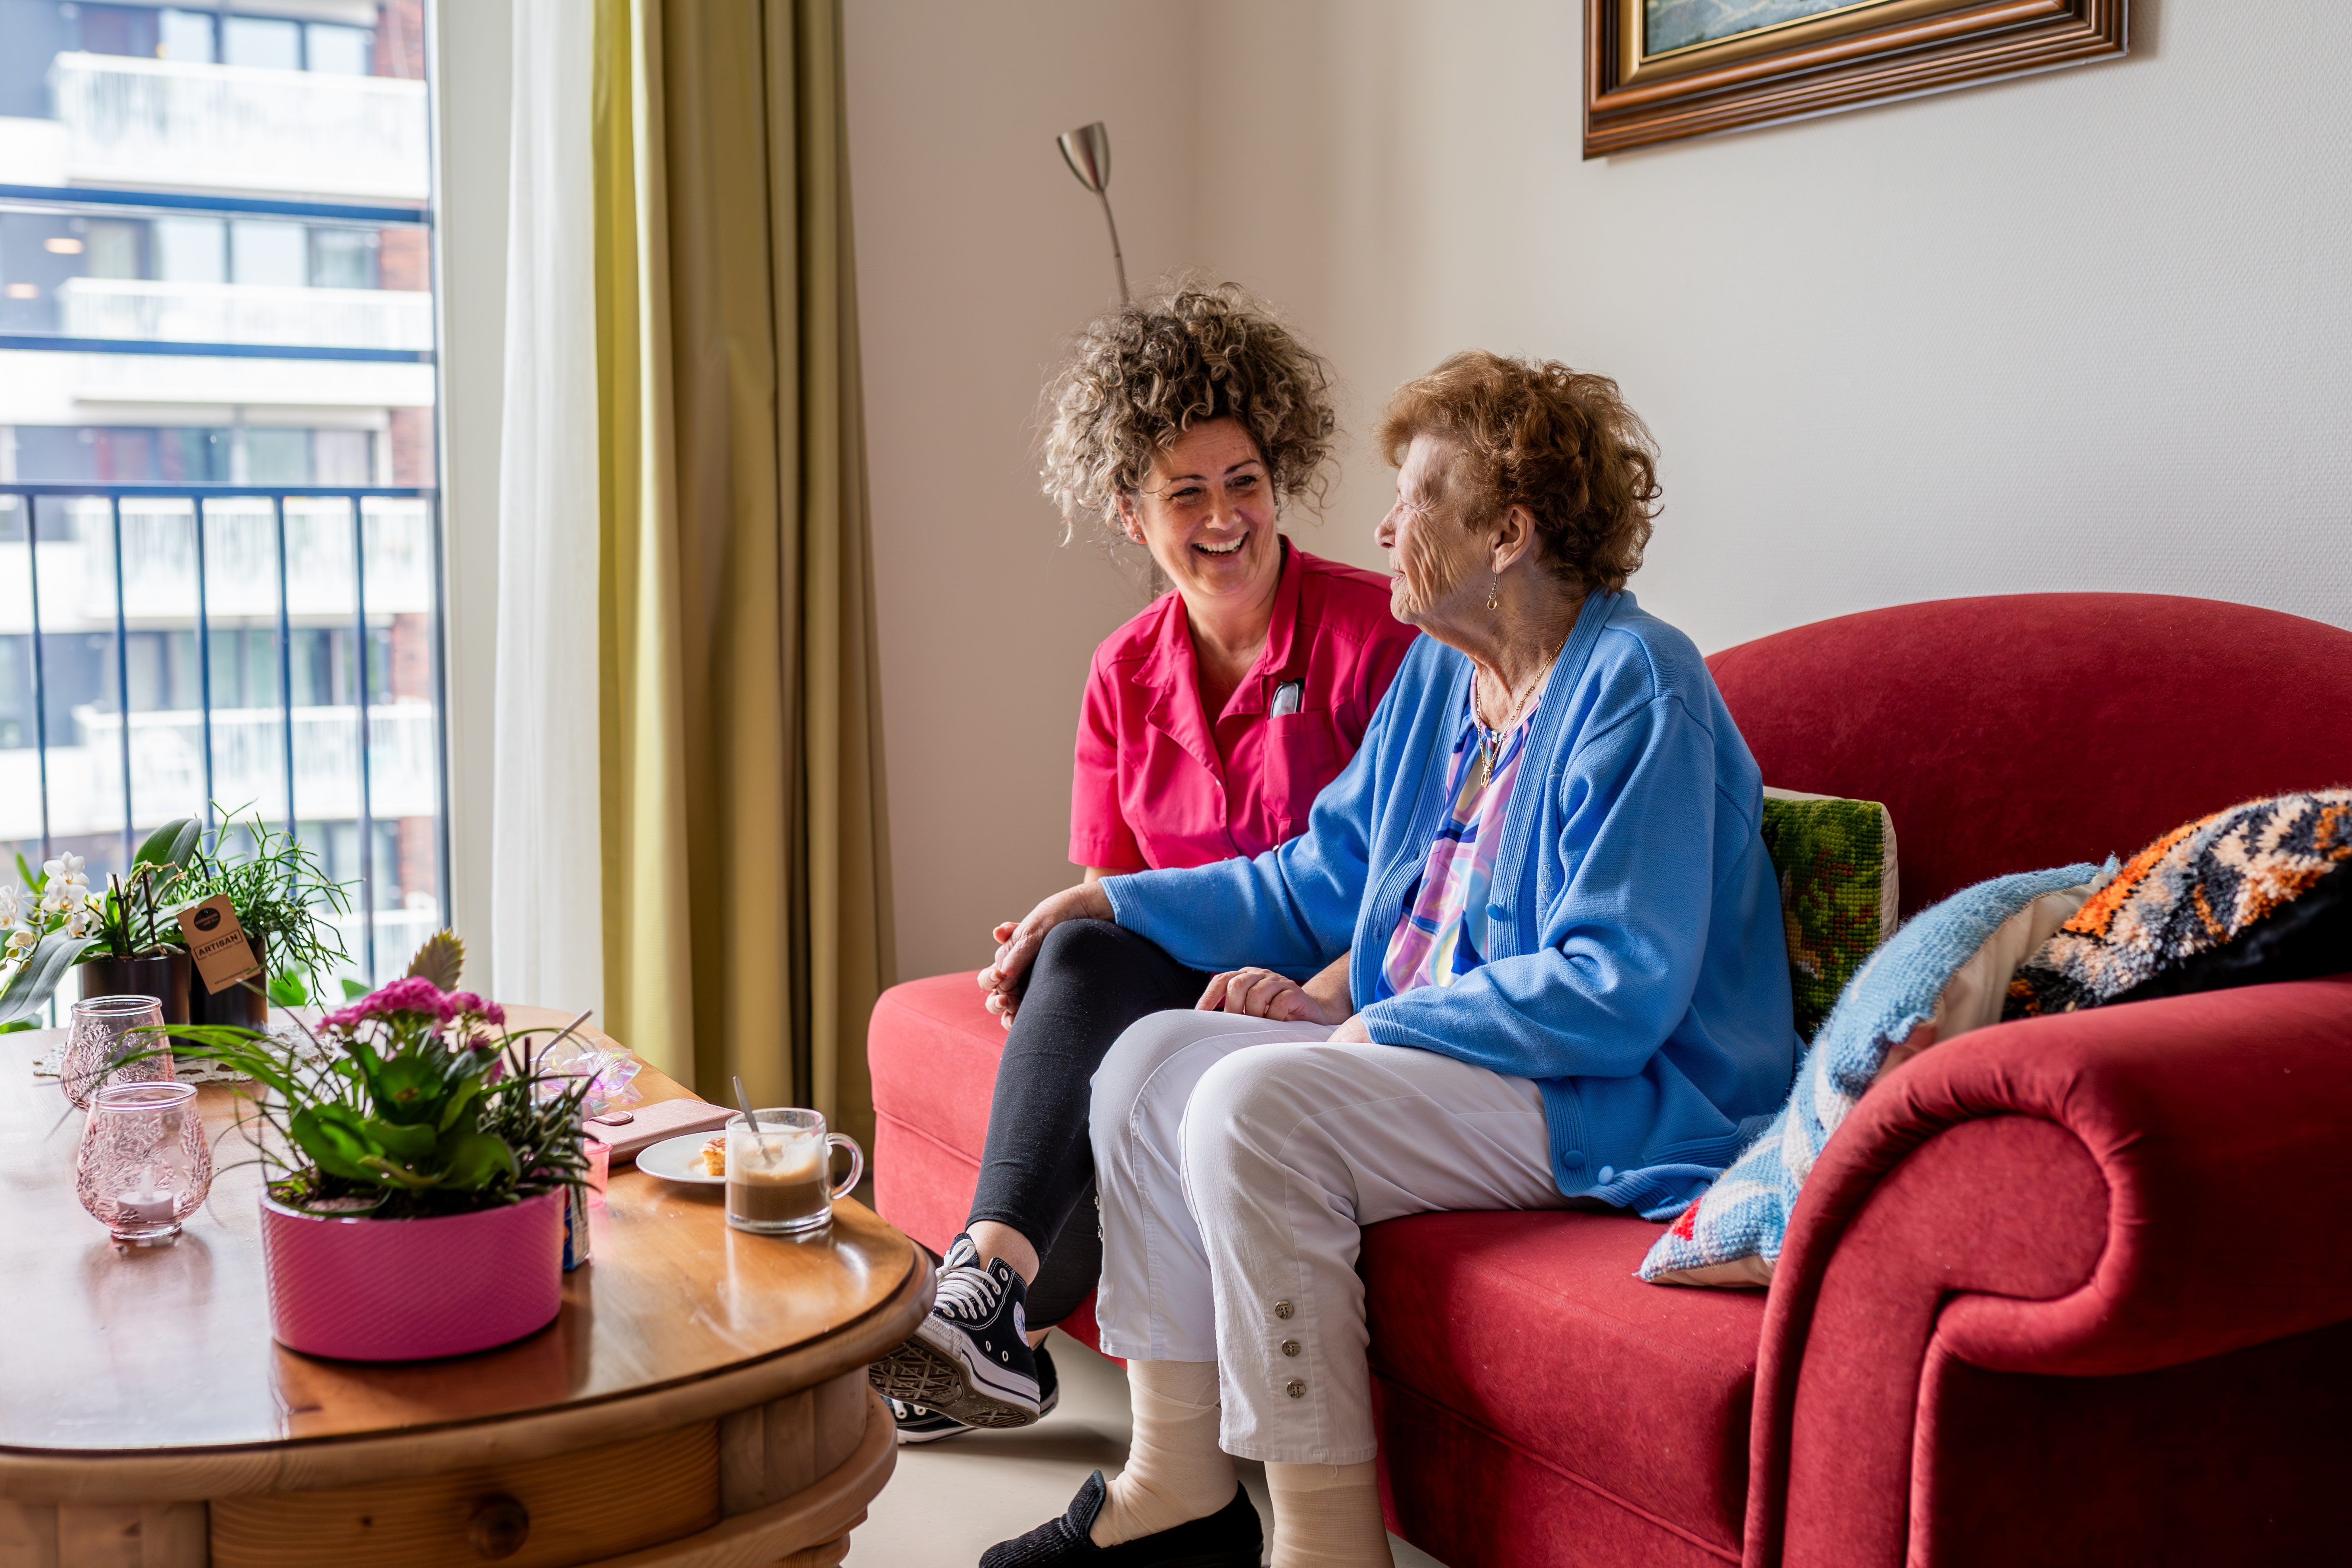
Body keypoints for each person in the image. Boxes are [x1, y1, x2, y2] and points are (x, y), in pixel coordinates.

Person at [976, 353, 1800, 1568]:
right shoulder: (1441, 675)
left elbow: (1610, 989)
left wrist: (1369, 1025)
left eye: (1417, 496)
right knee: (1144, 1064)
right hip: (1459, 1059)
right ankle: (1178, 1489)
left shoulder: (1638, 684)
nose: (1382, 525)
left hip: (1612, 1093)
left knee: (1255, 1105)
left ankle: (1321, 1544)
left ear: (1508, 530)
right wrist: (1109, 895)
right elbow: (1317, 876)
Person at [868, 284, 1419, 1443]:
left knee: (1092, 973)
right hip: (1182, 976)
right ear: (1130, 513)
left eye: (1244, 484)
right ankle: (988, 1298)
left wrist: (1321, 988)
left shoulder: (1379, 639)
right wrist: (1046, 945)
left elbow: (1422, 884)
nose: (1224, 518)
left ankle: (977, 1311)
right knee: (1070, 956)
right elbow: (1112, 892)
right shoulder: (1123, 668)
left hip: (1330, 978)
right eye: (1186, 494)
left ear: (1279, 483)